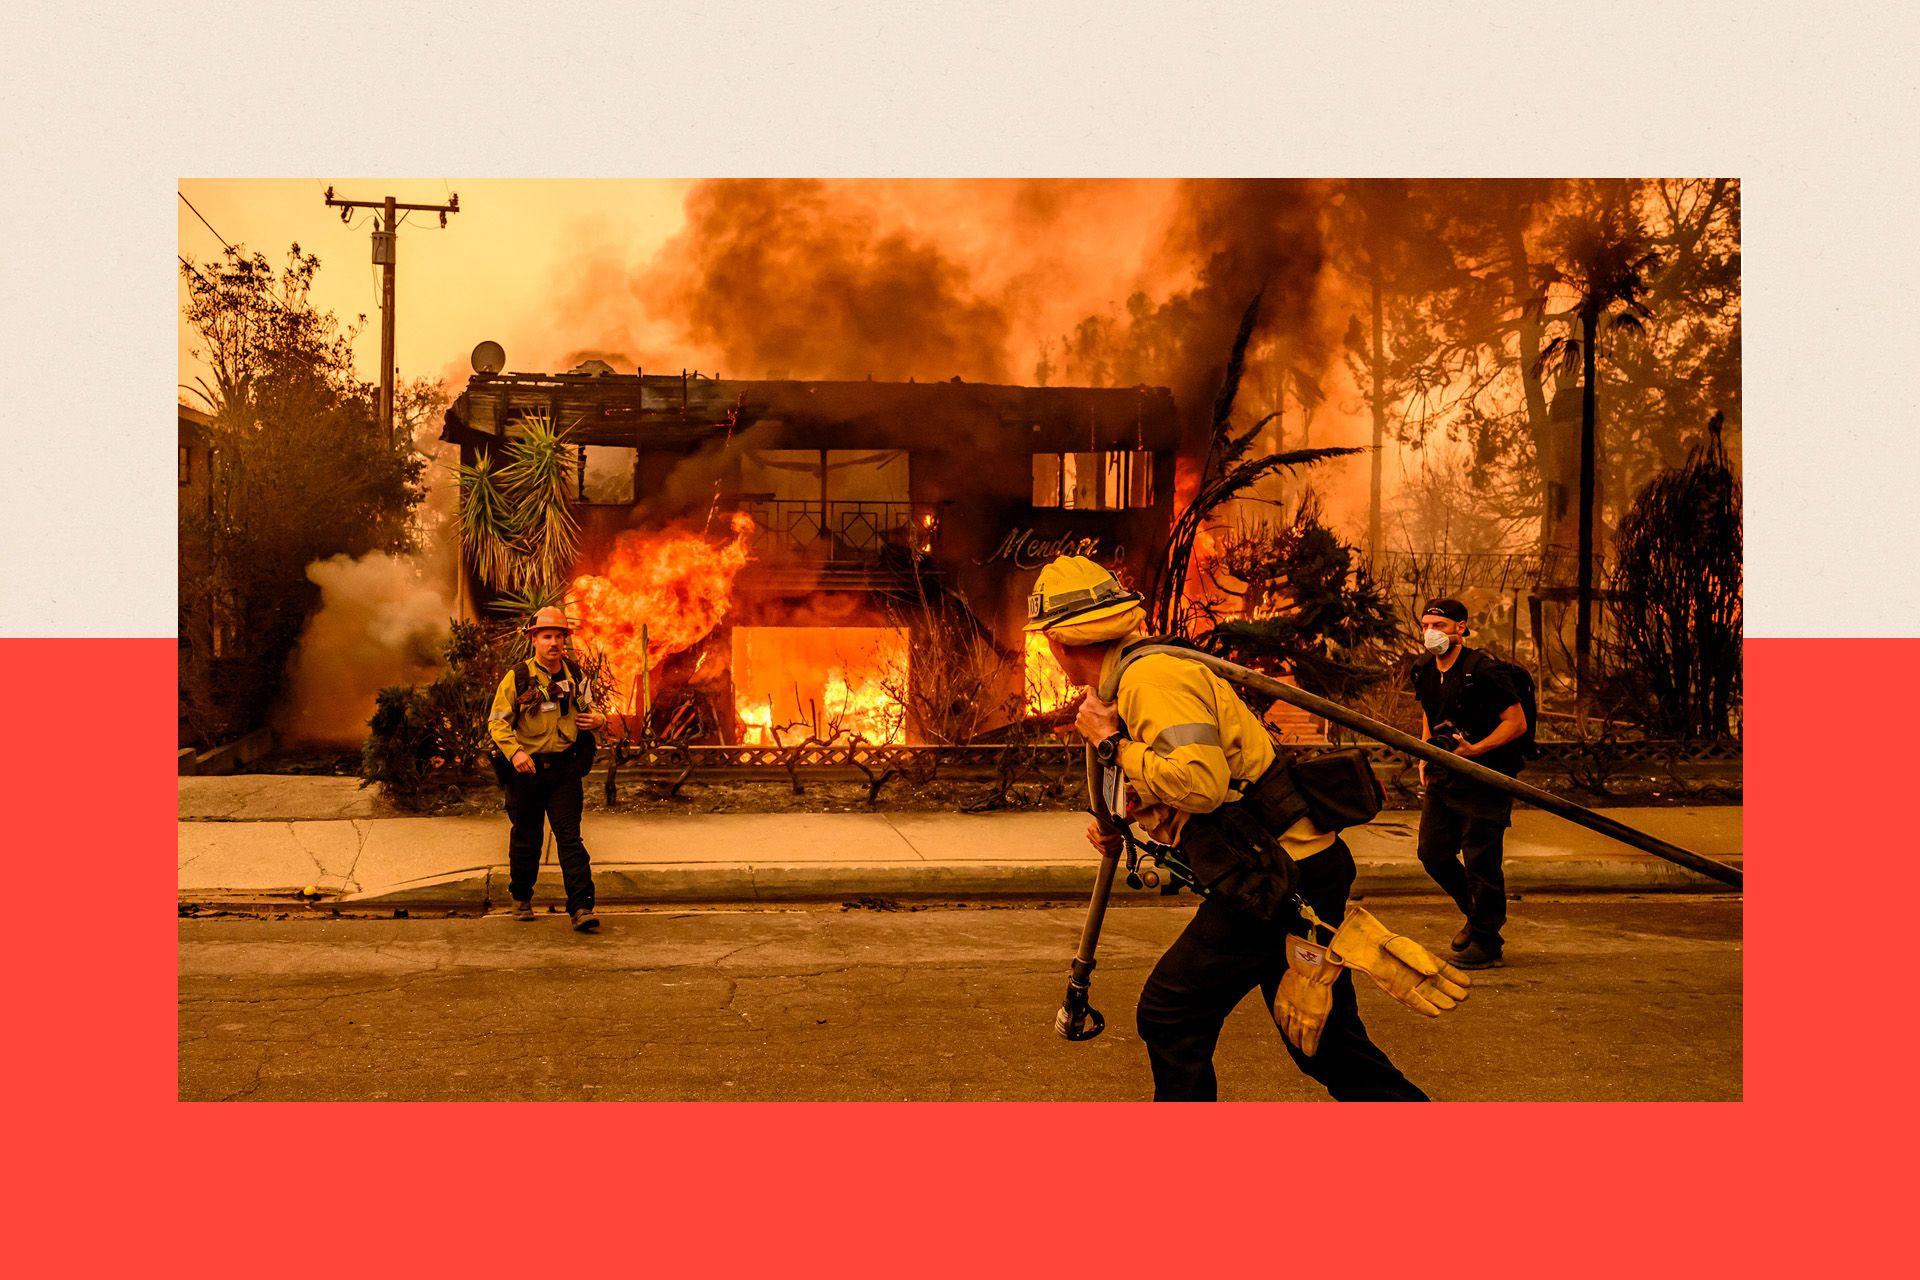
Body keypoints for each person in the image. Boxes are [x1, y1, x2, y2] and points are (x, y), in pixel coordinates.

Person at [1031, 554, 1443, 1102]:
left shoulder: (1151, 680)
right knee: (1324, 1046)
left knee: (1171, 1011)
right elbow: (1184, 781)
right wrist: (1123, 820)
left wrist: (1112, 745)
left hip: (1279, 876)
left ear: (1058, 643)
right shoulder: (1124, 684)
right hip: (1282, 869)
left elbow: (1199, 782)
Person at [1409, 597, 1529, 969]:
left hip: (1485, 777)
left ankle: (1487, 941)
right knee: (1433, 853)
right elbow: (1429, 714)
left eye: (1440, 626)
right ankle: (1478, 919)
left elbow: (1516, 722)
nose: (1431, 633)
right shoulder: (1424, 668)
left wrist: (1475, 750)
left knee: (1482, 860)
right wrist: (1425, 753)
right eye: (1426, 625)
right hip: (1444, 774)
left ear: (1461, 627)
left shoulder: (1484, 671)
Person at [488, 606, 606, 933]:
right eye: (547, 636)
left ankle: (581, 908)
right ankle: (522, 897)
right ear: (534, 640)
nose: (553, 642)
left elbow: (592, 710)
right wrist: (514, 754)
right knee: (527, 837)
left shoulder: (575, 675)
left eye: (558, 636)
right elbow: (497, 724)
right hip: (527, 772)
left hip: (564, 771)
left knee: (570, 838)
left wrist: (598, 720)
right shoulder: (518, 677)